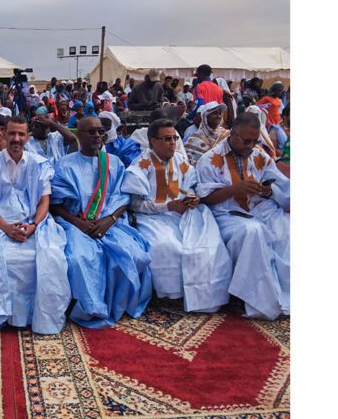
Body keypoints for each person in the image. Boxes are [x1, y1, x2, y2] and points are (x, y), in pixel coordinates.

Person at [0, 116, 71, 334]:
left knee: (51, 257)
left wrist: (33, 225)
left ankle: (37, 316)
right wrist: (5, 227)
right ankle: (3, 315)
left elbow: (44, 201)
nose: (16, 138)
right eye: (12, 133)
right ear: (4, 135)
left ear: (27, 137)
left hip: (34, 222)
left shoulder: (39, 164)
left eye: (21, 134)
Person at [50, 116, 152, 328]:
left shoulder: (114, 163)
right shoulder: (64, 164)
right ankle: (92, 309)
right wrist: (79, 223)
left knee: (134, 255)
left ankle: (119, 306)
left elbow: (124, 198)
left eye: (100, 131)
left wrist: (109, 220)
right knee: (79, 258)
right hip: (76, 223)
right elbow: (55, 204)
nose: (97, 135)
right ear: (79, 135)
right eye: (91, 132)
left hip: (111, 222)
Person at [122, 119, 232, 312]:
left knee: (205, 246)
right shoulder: (141, 165)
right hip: (153, 218)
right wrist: (167, 206)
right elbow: (135, 204)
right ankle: (171, 295)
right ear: (153, 141)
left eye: (175, 138)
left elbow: (191, 186)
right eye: (167, 139)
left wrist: (192, 197)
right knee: (169, 246)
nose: (173, 143)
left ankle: (205, 295)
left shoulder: (181, 160)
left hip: (184, 214)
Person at [195, 112, 290, 320]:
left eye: (255, 141)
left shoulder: (260, 156)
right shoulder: (209, 159)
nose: (251, 146)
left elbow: (280, 188)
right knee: (252, 232)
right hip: (226, 213)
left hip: (259, 207)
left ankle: (287, 295)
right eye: (246, 141)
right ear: (233, 134)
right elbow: (206, 198)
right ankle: (259, 302)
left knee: (288, 228)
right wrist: (235, 189)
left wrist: (267, 191)